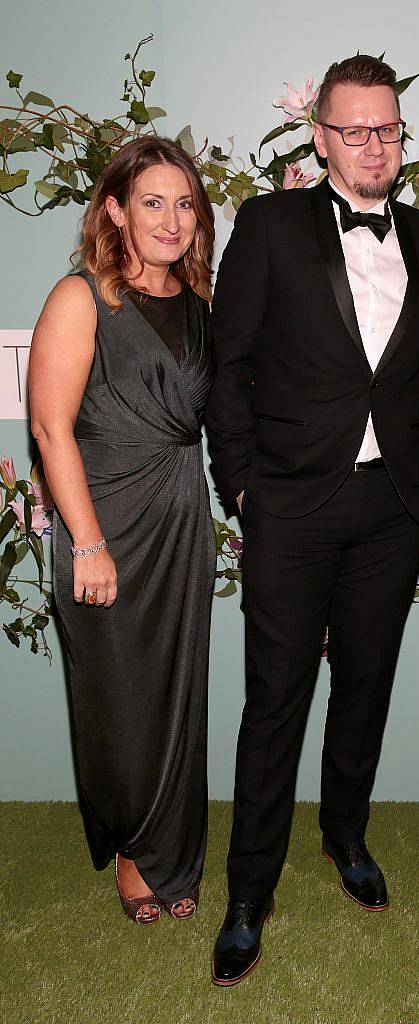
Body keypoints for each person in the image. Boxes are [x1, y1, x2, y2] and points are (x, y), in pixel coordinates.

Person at [205, 55, 419, 986]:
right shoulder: (269, 224)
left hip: (390, 509)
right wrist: (242, 489)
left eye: (388, 128)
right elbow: (230, 369)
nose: (375, 144)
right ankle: (246, 892)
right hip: (289, 506)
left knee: (366, 687)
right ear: (320, 137)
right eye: (355, 129)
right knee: (274, 702)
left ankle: (344, 836)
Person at [28, 137, 216, 925]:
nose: (171, 220)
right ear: (115, 210)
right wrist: (90, 541)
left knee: (178, 692)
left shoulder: (202, 304)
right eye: (152, 202)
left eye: (184, 205)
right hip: (103, 523)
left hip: (180, 519)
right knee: (119, 697)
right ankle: (136, 852)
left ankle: (176, 854)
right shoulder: (82, 298)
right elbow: (48, 427)